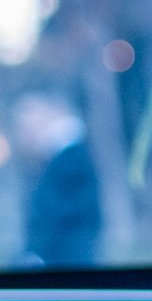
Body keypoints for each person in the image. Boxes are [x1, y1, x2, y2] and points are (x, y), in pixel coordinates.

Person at [14, 91, 102, 266]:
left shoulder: (69, 157)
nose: (25, 123)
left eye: (30, 113)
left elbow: (56, 212)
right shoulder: (63, 156)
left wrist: (37, 252)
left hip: (66, 259)